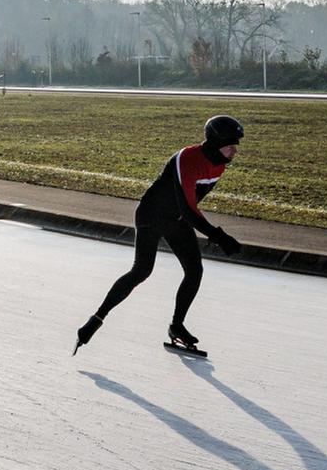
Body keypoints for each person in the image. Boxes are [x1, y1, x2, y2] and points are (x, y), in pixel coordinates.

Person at [74, 115, 245, 357]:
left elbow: (192, 205)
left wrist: (215, 235)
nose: (235, 151)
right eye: (231, 146)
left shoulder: (219, 164)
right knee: (141, 270)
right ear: (217, 143)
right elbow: (188, 207)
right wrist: (218, 235)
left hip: (176, 220)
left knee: (195, 270)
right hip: (151, 216)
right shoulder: (187, 159)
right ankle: (96, 319)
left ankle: (176, 326)